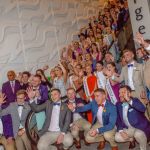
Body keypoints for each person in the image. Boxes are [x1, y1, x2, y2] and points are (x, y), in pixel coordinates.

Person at [115, 85, 150, 150]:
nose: (120, 95)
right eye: (119, 93)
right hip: (129, 128)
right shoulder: (118, 104)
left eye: (123, 92)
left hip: (140, 127)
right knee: (117, 137)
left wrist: (129, 100)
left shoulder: (135, 101)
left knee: (138, 135)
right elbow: (118, 119)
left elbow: (142, 109)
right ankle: (131, 139)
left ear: (129, 94)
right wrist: (121, 130)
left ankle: (143, 148)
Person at [2, 71, 21, 142]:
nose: (9, 77)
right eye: (8, 75)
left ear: (14, 75)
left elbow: (21, 93)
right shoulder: (4, 85)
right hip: (9, 105)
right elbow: (4, 97)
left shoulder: (18, 83)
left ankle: (17, 133)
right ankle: (10, 135)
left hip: (18, 104)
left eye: (11, 75)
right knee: (7, 118)